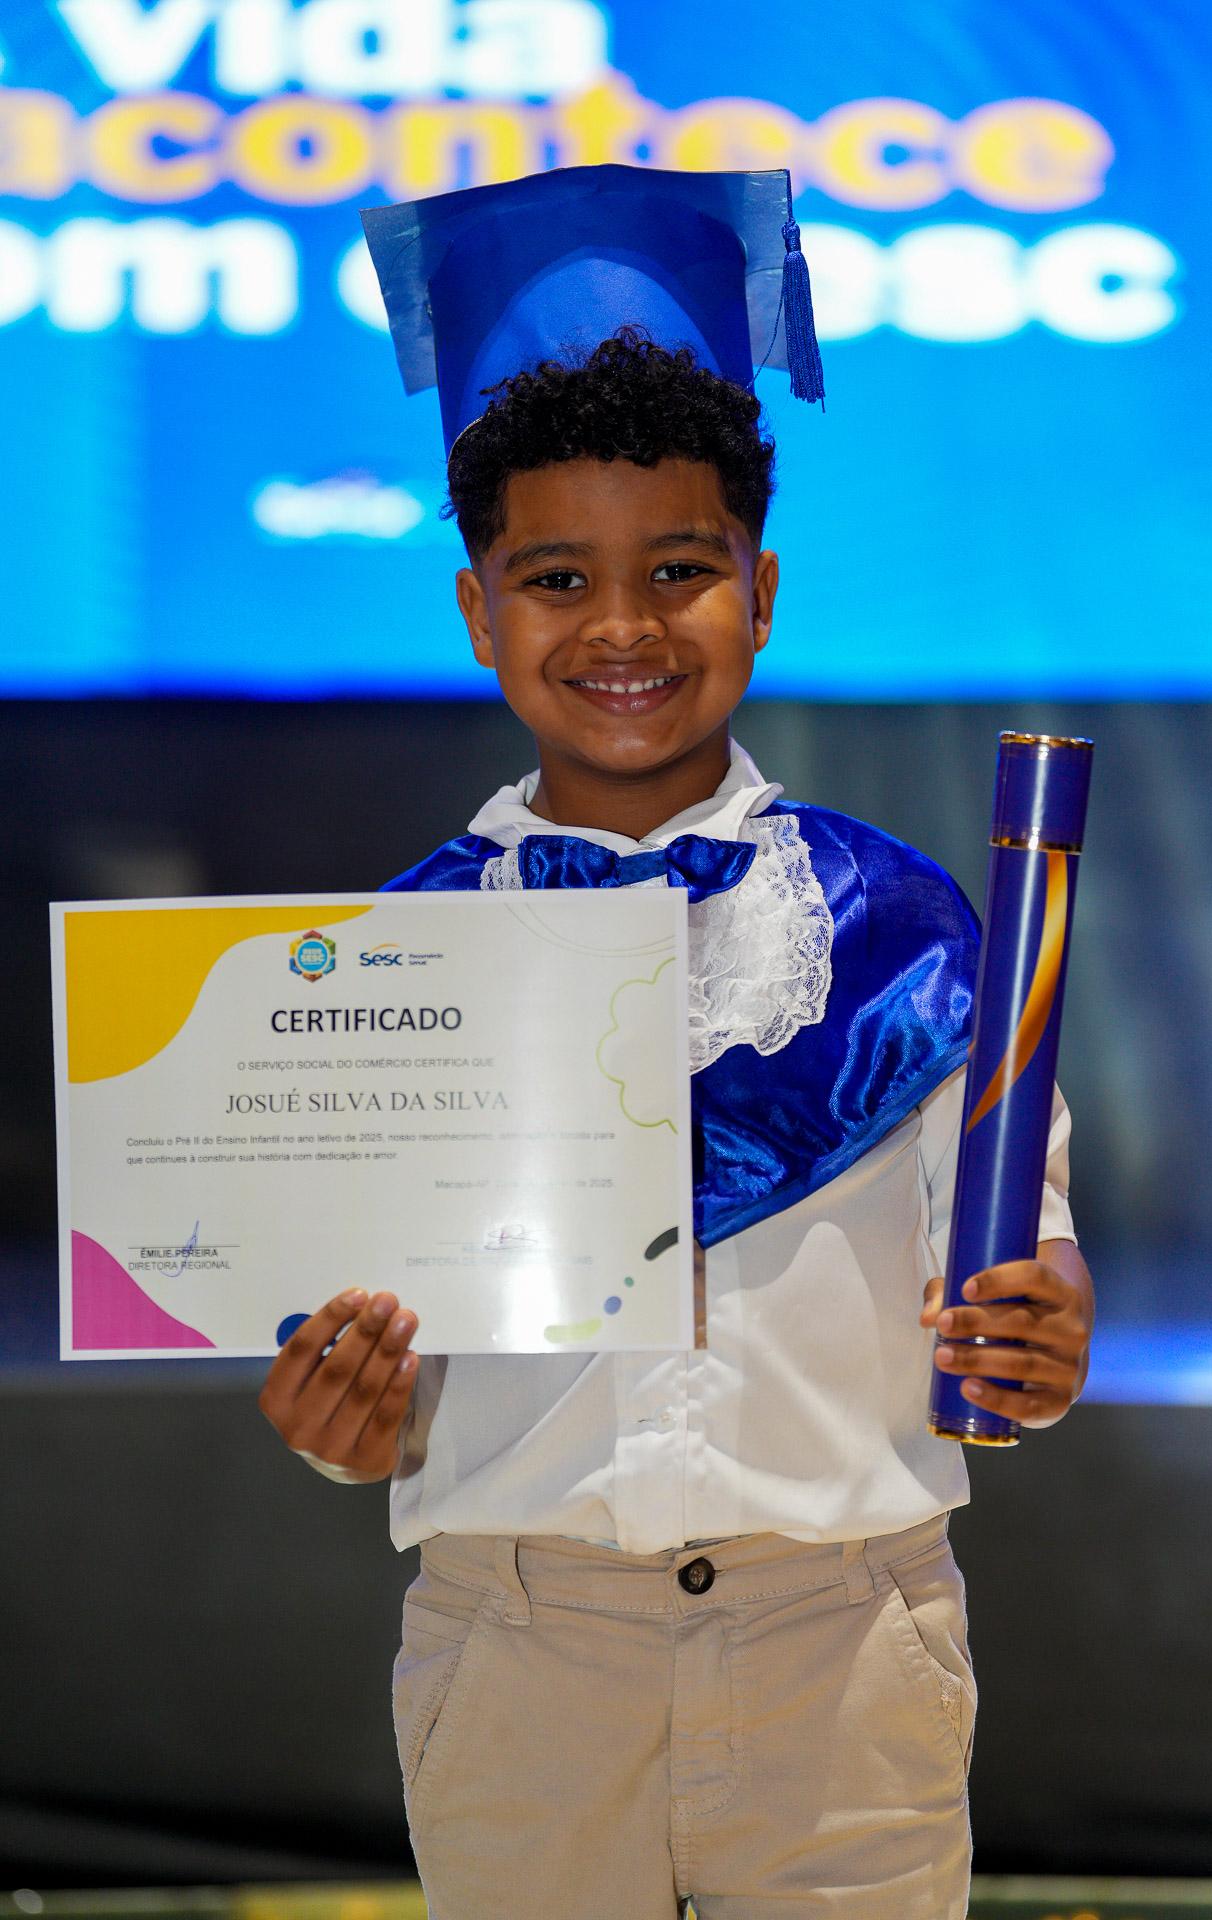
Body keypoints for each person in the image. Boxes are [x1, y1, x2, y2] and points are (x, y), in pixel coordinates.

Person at [258, 164, 1094, 1920]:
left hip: (846, 1646)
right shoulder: (384, 968)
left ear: (761, 592)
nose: (625, 626)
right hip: (522, 1651)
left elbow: (1019, 1259)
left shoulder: (909, 931)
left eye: (683, 570)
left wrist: (1043, 1333)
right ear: (479, 612)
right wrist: (342, 1423)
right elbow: (373, 1392)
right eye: (557, 577)